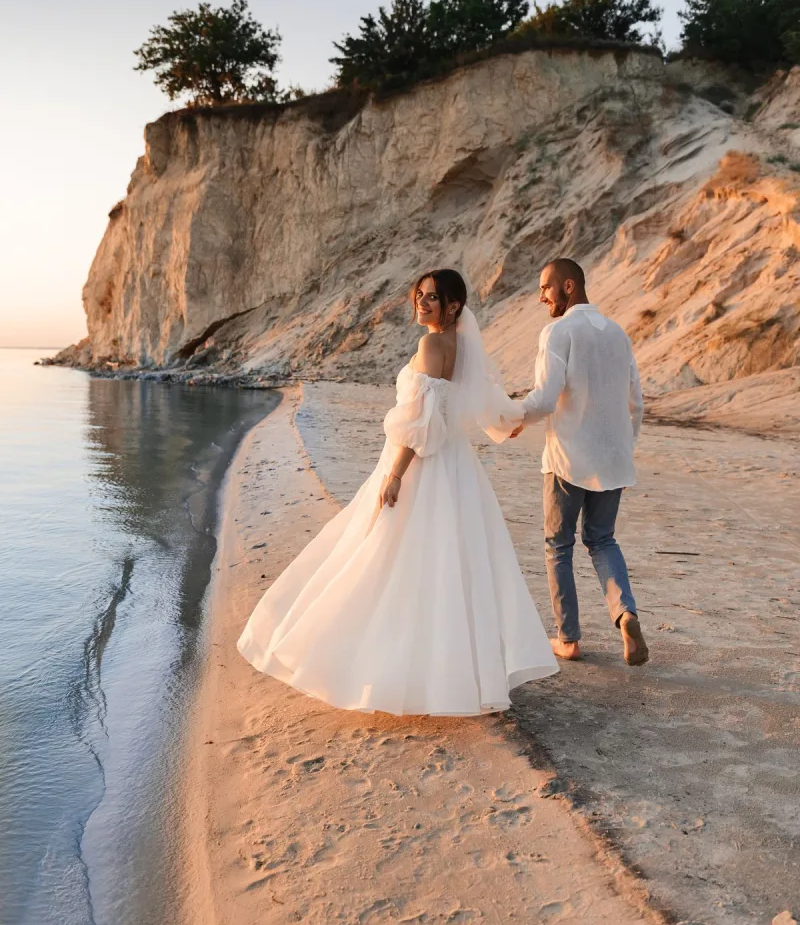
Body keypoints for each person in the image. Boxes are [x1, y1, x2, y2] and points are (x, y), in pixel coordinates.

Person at [237, 269, 558, 715]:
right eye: (419, 295)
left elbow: (423, 421)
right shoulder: (466, 349)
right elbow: (488, 401)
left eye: (433, 298)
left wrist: (395, 474)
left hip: (421, 463)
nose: (422, 303)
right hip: (458, 466)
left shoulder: (431, 346)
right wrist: (513, 421)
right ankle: (453, 677)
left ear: (454, 306)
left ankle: (373, 667)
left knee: (385, 557)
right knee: (450, 567)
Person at [511, 258, 649, 666]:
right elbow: (636, 402)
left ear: (568, 286)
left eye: (546, 287)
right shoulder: (618, 333)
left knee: (559, 545)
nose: (541, 297)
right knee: (602, 540)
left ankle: (568, 638)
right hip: (613, 459)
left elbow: (545, 397)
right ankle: (625, 615)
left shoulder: (558, 332)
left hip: (567, 458)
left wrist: (514, 419)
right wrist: (622, 446)